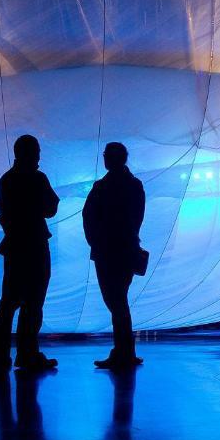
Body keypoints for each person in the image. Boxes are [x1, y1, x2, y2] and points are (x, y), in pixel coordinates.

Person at [0, 134, 60, 370]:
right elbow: (51, 208)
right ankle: (27, 354)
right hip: (35, 246)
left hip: (14, 246)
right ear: (30, 153)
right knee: (33, 302)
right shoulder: (38, 178)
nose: (39, 155)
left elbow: (6, 212)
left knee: (8, 301)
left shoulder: (7, 179)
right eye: (37, 151)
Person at [83, 142, 146, 369]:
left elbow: (88, 216)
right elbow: (137, 217)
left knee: (115, 300)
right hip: (125, 249)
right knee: (119, 299)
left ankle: (123, 352)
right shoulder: (134, 185)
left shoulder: (101, 187)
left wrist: (96, 241)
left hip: (107, 251)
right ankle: (124, 351)